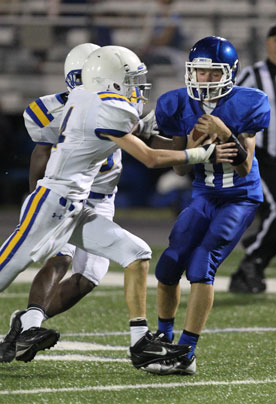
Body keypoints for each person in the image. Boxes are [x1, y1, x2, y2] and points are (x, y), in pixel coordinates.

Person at [0, 45, 236, 370]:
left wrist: (186, 136)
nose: (136, 85)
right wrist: (201, 155)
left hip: (78, 208)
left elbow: (143, 136)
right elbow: (150, 157)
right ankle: (28, 324)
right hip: (52, 202)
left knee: (137, 252)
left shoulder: (89, 99)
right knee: (7, 266)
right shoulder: (105, 107)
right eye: (129, 78)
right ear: (109, 79)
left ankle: (140, 343)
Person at [0, 43, 159, 364]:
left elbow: (142, 136)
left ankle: (27, 322)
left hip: (100, 201)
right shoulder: (65, 108)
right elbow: (41, 151)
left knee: (88, 279)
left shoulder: (111, 105)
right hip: (65, 198)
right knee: (54, 259)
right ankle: (30, 323)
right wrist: (39, 201)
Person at [139, 36, 270, 375]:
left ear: (229, 74)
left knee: (201, 263)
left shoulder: (249, 102)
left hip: (239, 197)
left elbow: (243, 165)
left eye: (213, 74)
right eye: (200, 72)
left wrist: (226, 133)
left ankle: (186, 352)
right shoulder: (177, 103)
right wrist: (198, 143)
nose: (205, 79)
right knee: (168, 265)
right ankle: (164, 339)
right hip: (203, 194)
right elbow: (181, 167)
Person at [229, 25, 276, 294]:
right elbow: (233, 109)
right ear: (268, 43)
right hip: (263, 156)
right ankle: (252, 259)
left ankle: (252, 266)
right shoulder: (253, 75)